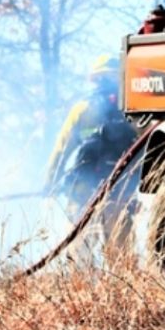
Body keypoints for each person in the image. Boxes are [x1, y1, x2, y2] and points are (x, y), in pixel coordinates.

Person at [43, 56, 136, 214]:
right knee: (119, 236)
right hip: (120, 191)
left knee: (79, 235)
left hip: (83, 191)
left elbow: (61, 151)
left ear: (96, 80)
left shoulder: (82, 109)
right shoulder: (133, 111)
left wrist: (50, 184)